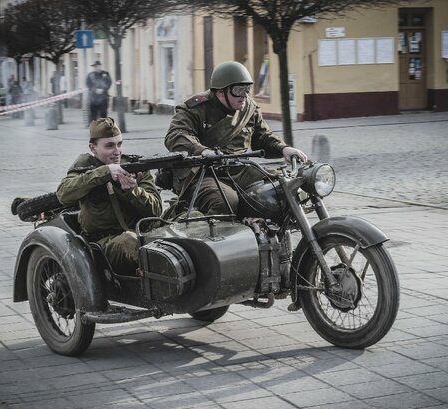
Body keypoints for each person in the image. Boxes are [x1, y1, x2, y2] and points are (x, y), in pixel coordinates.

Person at [164, 60, 307, 215]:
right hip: (201, 173)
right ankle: (214, 236)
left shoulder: (249, 109)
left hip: (237, 169)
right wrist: (202, 151)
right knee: (226, 200)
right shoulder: (196, 108)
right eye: (238, 90)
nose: (244, 96)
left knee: (285, 186)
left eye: (247, 89)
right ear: (220, 92)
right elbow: (176, 134)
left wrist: (284, 149)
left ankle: (272, 233)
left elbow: (262, 137)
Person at [56, 117, 162, 275]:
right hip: (105, 242)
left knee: (189, 221)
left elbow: (156, 211)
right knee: (129, 241)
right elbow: (63, 194)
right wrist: (104, 173)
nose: (117, 151)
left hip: (141, 230)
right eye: (109, 146)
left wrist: (134, 191)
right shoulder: (84, 168)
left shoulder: (135, 167)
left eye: (119, 144)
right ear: (93, 148)